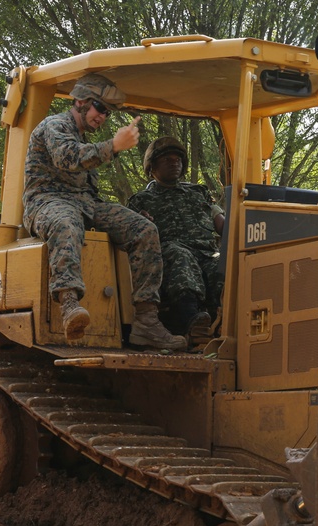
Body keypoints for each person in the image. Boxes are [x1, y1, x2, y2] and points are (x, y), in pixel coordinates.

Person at [22, 73, 186, 350]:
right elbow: (69, 158)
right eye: (100, 108)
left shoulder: (82, 136)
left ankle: (146, 321)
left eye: (107, 113)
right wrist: (113, 146)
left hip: (84, 203)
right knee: (66, 222)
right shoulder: (55, 125)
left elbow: (89, 190)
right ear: (80, 101)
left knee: (143, 229)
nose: (102, 117)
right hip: (47, 202)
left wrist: (123, 217)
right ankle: (70, 306)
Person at [127, 137, 225, 343]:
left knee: (222, 265)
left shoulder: (199, 193)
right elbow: (131, 236)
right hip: (170, 255)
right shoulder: (140, 201)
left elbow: (222, 223)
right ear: (151, 166)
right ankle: (192, 319)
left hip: (206, 251)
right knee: (180, 255)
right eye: (166, 159)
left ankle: (223, 323)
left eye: (178, 159)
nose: (174, 162)